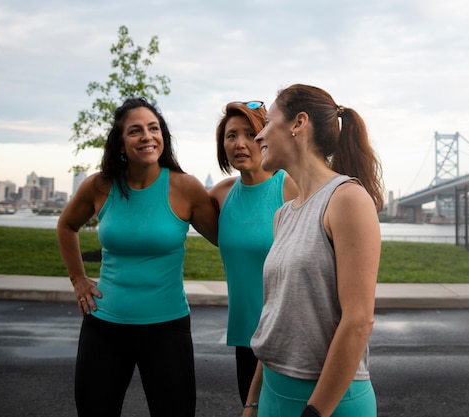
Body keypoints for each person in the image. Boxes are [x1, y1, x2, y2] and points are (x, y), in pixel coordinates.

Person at [57, 97, 218, 417]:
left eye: (153, 128)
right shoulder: (99, 186)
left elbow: (226, 240)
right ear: (119, 143)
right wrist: (78, 279)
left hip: (167, 328)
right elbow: (66, 226)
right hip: (103, 326)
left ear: (163, 137)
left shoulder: (185, 187)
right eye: (135, 131)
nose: (147, 136)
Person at [242, 84, 384, 417]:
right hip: (273, 397)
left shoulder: (347, 199)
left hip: (330, 404)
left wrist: (315, 412)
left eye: (267, 123)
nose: (258, 136)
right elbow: (276, 318)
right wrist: (252, 401)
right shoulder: (283, 214)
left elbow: (359, 321)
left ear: (298, 123)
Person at [208, 101, 298, 405]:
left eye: (250, 133)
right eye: (231, 135)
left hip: (289, 337)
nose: (240, 143)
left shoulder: (289, 188)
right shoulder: (220, 195)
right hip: (245, 338)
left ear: (267, 136)